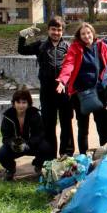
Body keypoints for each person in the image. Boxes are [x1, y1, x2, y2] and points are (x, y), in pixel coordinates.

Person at [17, 16, 74, 158]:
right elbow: (22, 50)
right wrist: (22, 36)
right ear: (48, 30)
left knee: (67, 124)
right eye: (53, 29)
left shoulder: (68, 46)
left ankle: (66, 153)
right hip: (47, 92)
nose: (56, 32)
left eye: (59, 30)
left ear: (63, 31)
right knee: (48, 125)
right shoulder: (40, 45)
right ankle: (50, 155)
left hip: (64, 92)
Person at [56, 23, 107, 155]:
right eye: (83, 34)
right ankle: (83, 154)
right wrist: (62, 81)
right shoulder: (75, 48)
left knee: (102, 125)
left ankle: (105, 153)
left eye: (88, 33)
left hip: (100, 92)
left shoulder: (101, 46)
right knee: (83, 127)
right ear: (79, 36)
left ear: (93, 33)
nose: (86, 36)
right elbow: (68, 65)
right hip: (80, 94)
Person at [0, 87, 53, 181]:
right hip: (15, 146)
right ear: (13, 104)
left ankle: (38, 166)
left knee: (47, 148)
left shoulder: (35, 114)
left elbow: (40, 134)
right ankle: (11, 169)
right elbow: (5, 138)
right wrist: (13, 143)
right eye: (18, 102)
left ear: (28, 104)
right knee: (1, 154)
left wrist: (28, 143)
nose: (21, 105)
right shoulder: (8, 117)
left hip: (31, 145)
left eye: (24, 102)